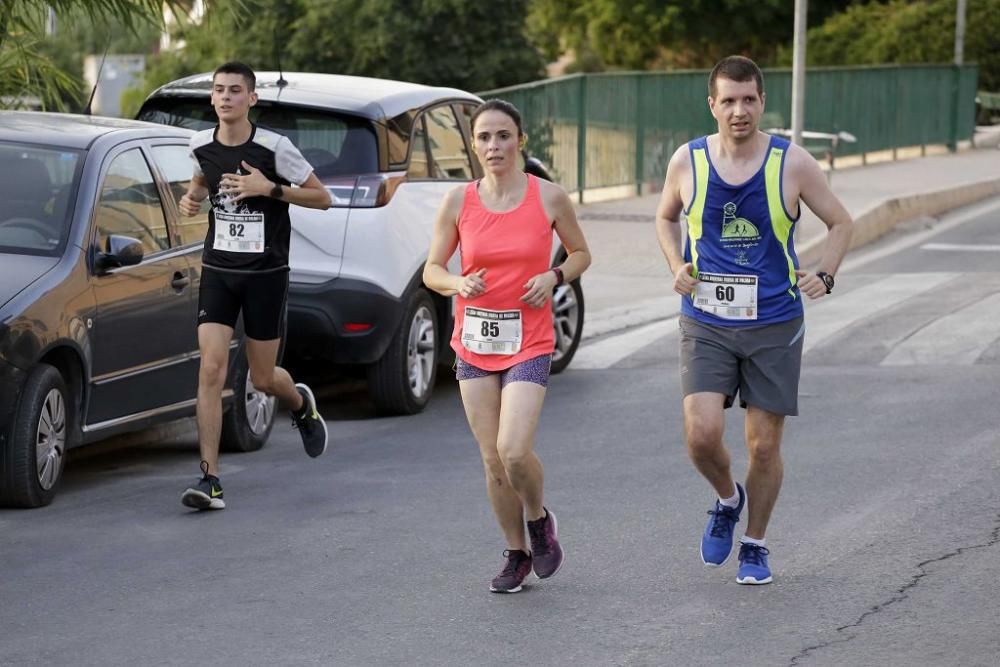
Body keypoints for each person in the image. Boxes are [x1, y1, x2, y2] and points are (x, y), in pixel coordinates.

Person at [654, 56, 854, 584]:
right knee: (700, 436)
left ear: (762, 102)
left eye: (749, 99)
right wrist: (677, 266)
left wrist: (826, 275)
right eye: (728, 100)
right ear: (712, 105)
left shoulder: (793, 162)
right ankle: (726, 498)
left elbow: (840, 222)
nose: (739, 110)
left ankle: (756, 543)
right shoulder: (688, 161)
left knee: (763, 445)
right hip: (707, 318)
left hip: (774, 321)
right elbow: (665, 216)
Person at [423, 100, 591, 593]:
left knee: (514, 451)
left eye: (503, 136)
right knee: (492, 461)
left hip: (530, 340)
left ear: (520, 141)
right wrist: (457, 286)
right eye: (484, 138)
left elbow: (582, 253)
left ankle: (539, 521)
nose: (494, 146)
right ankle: (516, 554)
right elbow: (432, 271)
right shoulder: (459, 202)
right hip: (473, 342)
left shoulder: (549, 197)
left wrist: (553, 275)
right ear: (473, 146)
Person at [178, 62, 332, 511]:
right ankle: (210, 480)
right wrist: (191, 199)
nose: (226, 97)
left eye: (235, 91)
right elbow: (200, 184)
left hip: (265, 275)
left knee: (263, 379)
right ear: (212, 99)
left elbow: (322, 197)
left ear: (252, 99)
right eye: (219, 90)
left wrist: (270, 189)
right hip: (219, 271)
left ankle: (299, 402)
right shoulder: (199, 144)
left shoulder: (274, 148)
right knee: (211, 369)